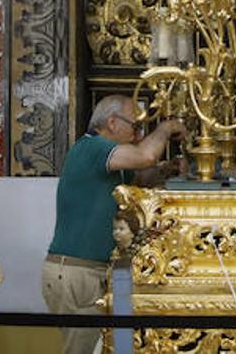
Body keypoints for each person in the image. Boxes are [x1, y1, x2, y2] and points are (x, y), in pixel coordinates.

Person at [43, 94, 185, 354]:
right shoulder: (92, 147)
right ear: (111, 122)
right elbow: (145, 157)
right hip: (77, 272)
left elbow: (141, 177)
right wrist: (166, 128)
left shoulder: (112, 162)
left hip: (91, 271)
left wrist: (169, 169)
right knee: (81, 349)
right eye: (135, 126)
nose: (138, 134)